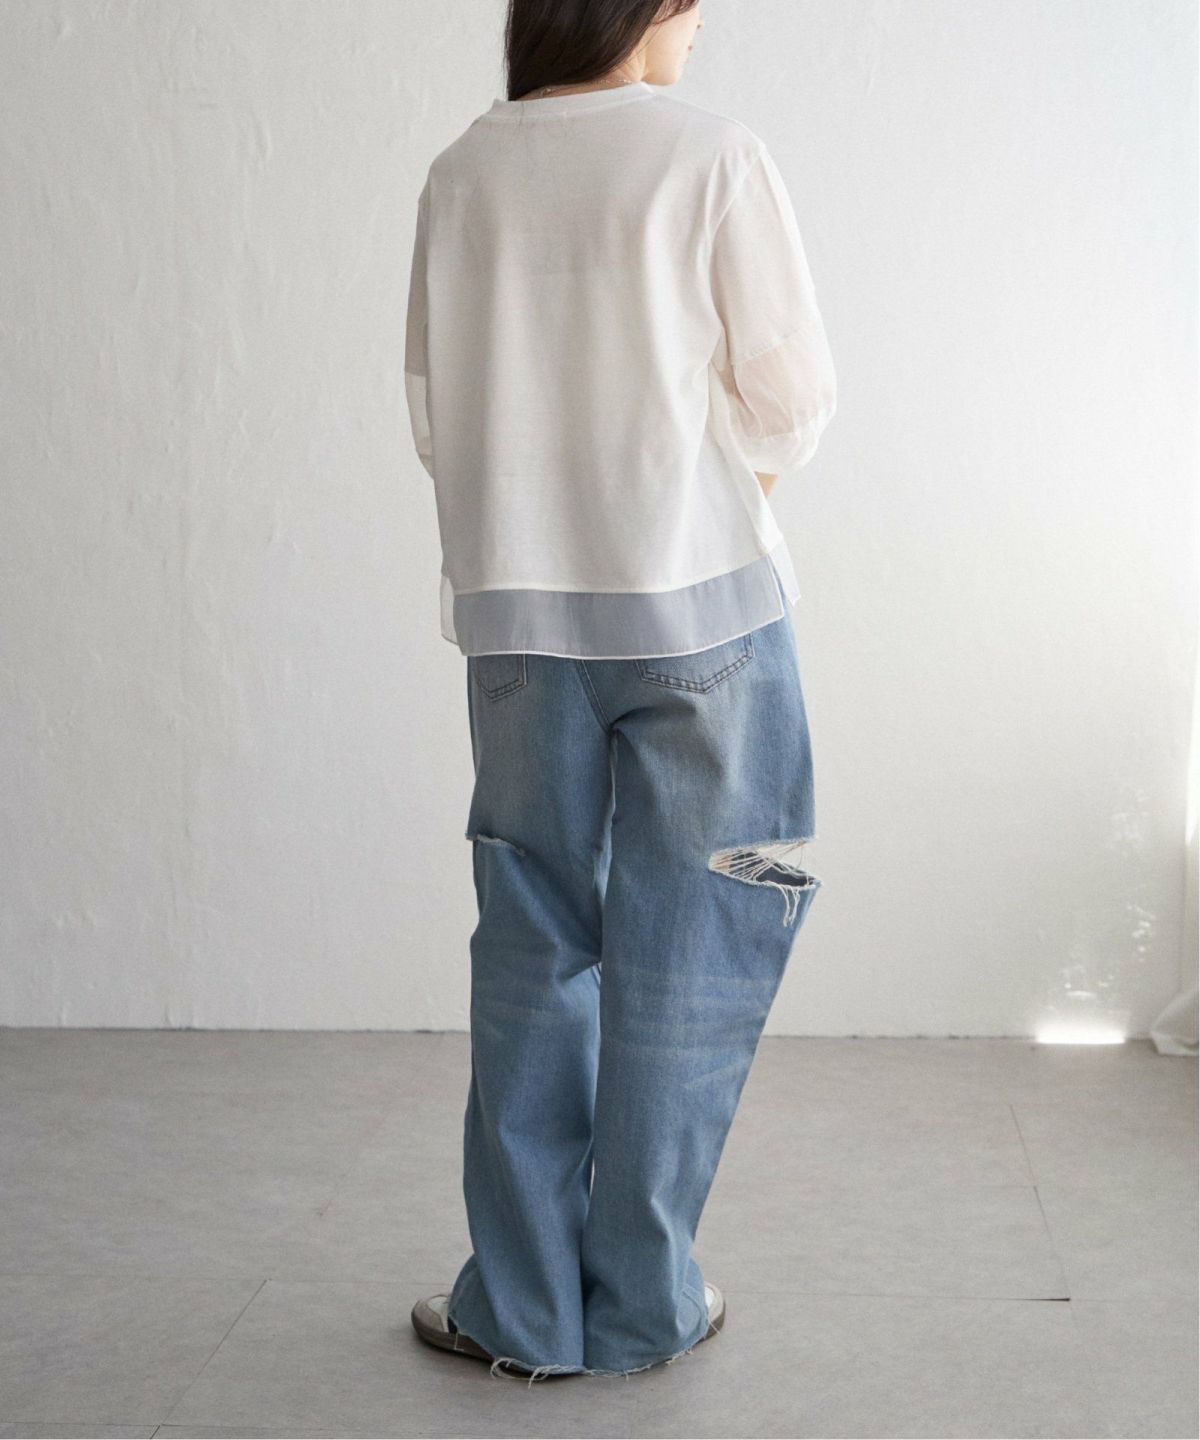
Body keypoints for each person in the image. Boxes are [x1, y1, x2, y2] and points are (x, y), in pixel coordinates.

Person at [403, 0, 836, 1383]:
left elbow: (436, 412)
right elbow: (793, 400)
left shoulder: (464, 171)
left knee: (533, 939)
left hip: (520, 621)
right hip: (700, 608)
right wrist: (706, 492)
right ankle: (647, 1302)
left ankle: (522, 1312)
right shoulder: (711, 156)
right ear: (650, 6)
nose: (700, 29)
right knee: (696, 944)